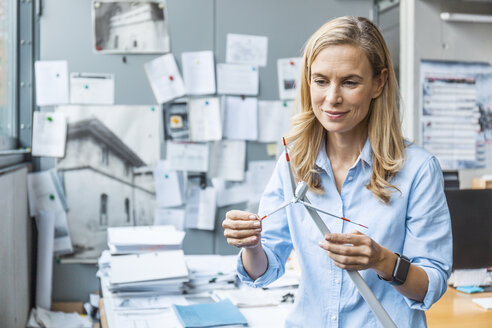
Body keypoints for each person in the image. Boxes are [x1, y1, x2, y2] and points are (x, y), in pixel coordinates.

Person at [222, 16, 452, 327]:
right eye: (321, 81)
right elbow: (264, 270)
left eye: (350, 82)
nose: (332, 98)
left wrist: (382, 260)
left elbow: (432, 286)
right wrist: (251, 245)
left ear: (378, 82)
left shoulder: (418, 171)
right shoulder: (293, 163)